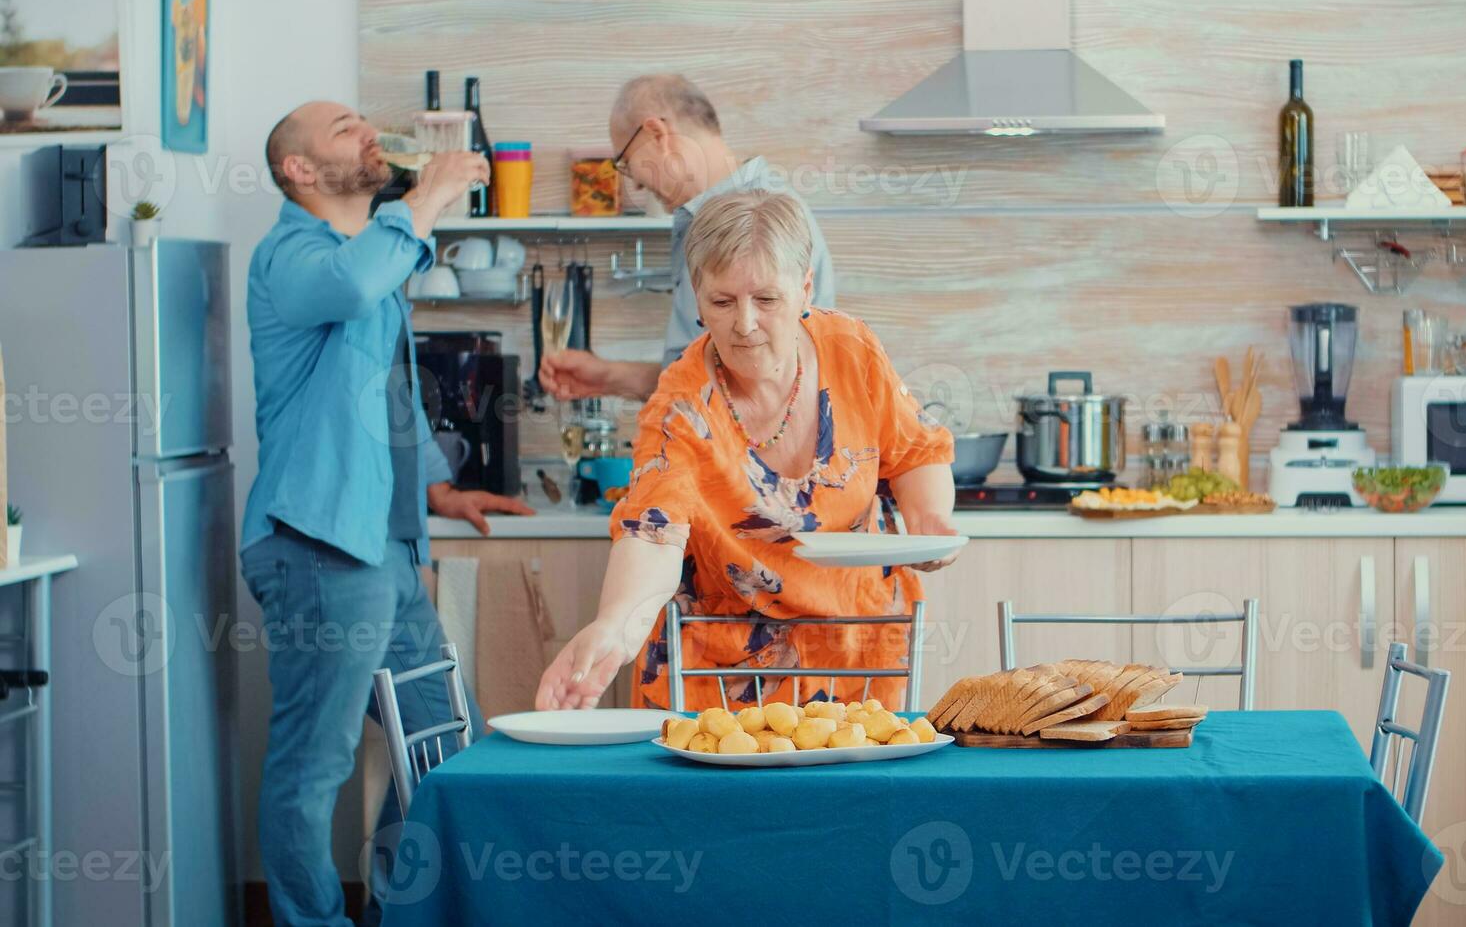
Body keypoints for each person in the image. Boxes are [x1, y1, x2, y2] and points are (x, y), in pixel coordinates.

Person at [239, 100, 533, 927]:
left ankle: (406, 911)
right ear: (298, 170)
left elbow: (385, 400)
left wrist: (437, 491)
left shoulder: (362, 254)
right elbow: (352, 284)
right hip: (316, 545)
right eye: (342, 129)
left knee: (445, 743)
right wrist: (430, 193)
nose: (367, 132)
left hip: (378, 549)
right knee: (314, 764)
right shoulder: (292, 254)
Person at [535, 190, 955, 714]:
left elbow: (915, 450)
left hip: (859, 656)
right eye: (723, 302)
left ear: (805, 289)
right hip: (722, 677)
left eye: (767, 300)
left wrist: (930, 521)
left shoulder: (853, 350)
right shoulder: (681, 407)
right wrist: (613, 627)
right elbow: (651, 535)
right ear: (698, 296)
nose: (745, 324)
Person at [540, 74, 836, 402]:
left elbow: (740, 394)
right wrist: (611, 379)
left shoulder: (755, 220)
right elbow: (703, 374)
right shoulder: (711, 216)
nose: (634, 184)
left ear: (657, 134)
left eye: (625, 163)